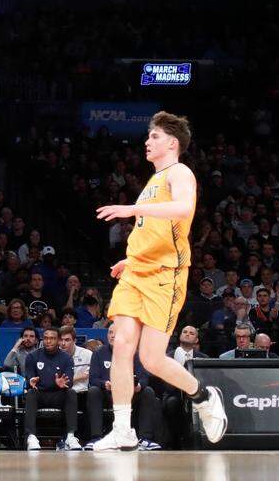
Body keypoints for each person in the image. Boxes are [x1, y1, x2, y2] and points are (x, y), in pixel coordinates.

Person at [94, 111, 226, 449]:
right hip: (137, 271)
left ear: (172, 142)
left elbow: (183, 209)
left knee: (151, 359)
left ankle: (203, 397)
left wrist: (131, 210)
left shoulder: (180, 172)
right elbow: (153, 229)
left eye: (153, 137)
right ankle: (123, 428)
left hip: (165, 275)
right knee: (122, 343)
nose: (146, 142)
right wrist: (131, 258)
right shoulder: (152, 182)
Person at [86, 322, 162, 450]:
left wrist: (139, 386)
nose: (113, 336)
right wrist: (105, 384)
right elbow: (93, 379)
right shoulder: (99, 353)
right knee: (93, 391)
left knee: (148, 391)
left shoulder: (135, 353)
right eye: (110, 332)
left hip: (130, 395)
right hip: (108, 394)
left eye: (117, 333)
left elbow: (144, 378)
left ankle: (144, 438)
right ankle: (96, 437)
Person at [23, 327, 81, 451]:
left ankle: (70, 436)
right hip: (40, 394)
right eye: (46, 338)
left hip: (57, 395)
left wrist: (62, 383)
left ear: (59, 341)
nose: (48, 341)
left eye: (52, 338)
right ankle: (31, 436)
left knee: (71, 393)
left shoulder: (66, 358)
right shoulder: (32, 356)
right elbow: (29, 377)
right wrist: (31, 381)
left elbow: (69, 382)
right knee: (31, 393)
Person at [57, 325, 92, 394]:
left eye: (67, 340)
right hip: (60, 393)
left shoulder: (87, 354)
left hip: (81, 392)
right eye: (61, 340)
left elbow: (91, 373)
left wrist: (69, 379)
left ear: (74, 341)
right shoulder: (53, 355)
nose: (63, 343)